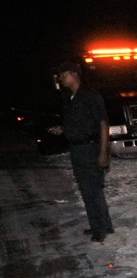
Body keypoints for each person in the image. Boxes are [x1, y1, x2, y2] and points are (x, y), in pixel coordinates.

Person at [50, 61, 114, 242]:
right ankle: (103, 225)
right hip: (78, 148)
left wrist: (103, 152)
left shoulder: (89, 96)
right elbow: (80, 124)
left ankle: (99, 230)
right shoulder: (71, 98)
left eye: (64, 75)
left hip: (89, 148)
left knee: (91, 190)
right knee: (91, 190)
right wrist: (63, 130)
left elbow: (103, 124)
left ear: (75, 74)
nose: (61, 79)